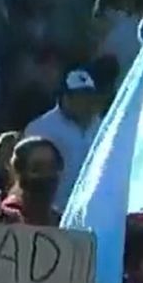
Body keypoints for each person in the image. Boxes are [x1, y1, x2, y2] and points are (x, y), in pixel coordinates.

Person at [23, 68, 102, 210]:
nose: (85, 103)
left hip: (92, 209)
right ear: (65, 98)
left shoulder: (102, 126)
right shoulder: (40, 128)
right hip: (54, 211)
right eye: (79, 97)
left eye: (88, 96)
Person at [1, 136, 63, 226]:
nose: (46, 175)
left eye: (52, 167)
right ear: (19, 172)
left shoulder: (60, 220)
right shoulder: (6, 218)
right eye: (37, 169)